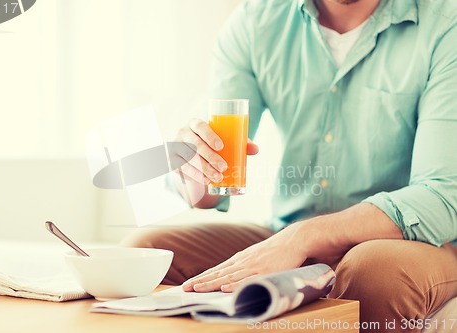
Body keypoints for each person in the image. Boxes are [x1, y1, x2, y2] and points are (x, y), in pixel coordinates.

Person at [123, 0, 457, 332]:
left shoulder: (444, 23)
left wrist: (302, 238)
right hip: (287, 230)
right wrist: (196, 167)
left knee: (375, 270)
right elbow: (209, 187)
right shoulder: (258, 19)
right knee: (147, 254)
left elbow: (443, 197)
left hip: (412, 244)